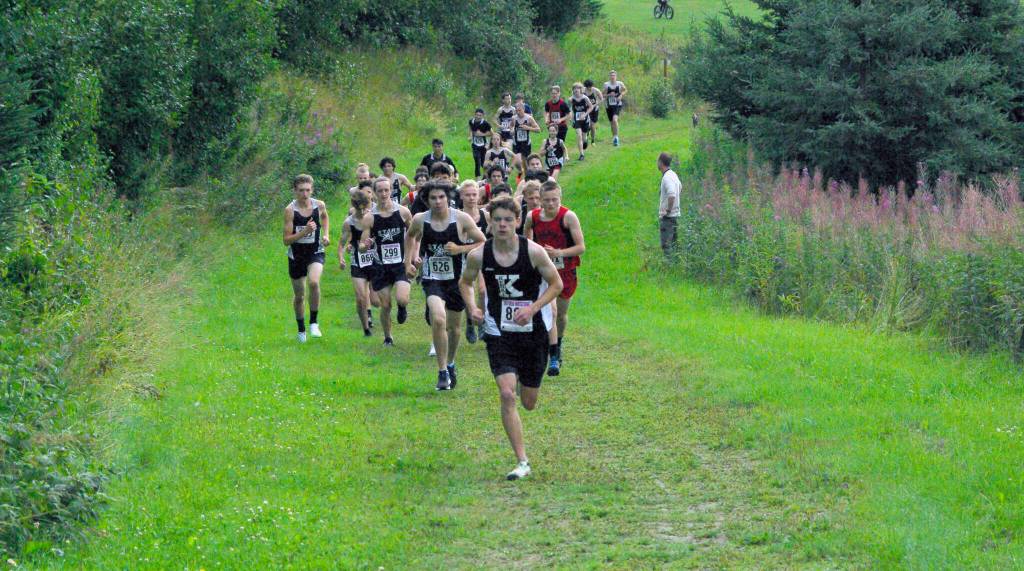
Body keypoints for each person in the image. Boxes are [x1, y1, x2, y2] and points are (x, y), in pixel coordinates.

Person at [459, 196, 563, 480]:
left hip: (534, 331)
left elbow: (556, 284)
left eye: (508, 220)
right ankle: (522, 461)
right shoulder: (479, 255)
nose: (502, 225)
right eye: (497, 220)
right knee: (506, 394)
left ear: (517, 222)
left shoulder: (534, 252)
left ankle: (522, 380)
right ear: (490, 223)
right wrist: (473, 308)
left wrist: (533, 308)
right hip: (498, 331)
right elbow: (465, 282)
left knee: (528, 402)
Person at [404, 181, 486, 390]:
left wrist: (460, 249)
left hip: (457, 280)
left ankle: (450, 363)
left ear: (448, 198)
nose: (438, 201)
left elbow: (483, 242)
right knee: (439, 319)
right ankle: (441, 371)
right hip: (432, 278)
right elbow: (410, 236)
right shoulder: (420, 219)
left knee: (454, 328)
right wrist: (408, 262)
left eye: (441, 197)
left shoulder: (461, 219)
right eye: (433, 198)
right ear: (427, 200)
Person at [524, 180, 585, 376]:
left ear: (560, 199)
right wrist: (535, 253)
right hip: (543, 271)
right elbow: (526, 241)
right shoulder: (532, 217)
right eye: (547, 200)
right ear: (540, 200)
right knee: (550, 309)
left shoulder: (568, 217)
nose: (551, 204)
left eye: (555, 200)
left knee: (560, 314)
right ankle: (553, 354)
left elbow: (581, 247)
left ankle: (558, 342)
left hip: (565, 270)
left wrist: (559, 253)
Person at [358, 177, 414, 346]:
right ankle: (388, 337)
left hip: (400, 264)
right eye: (380, 191)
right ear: (374, 193)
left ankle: (402, 308)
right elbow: (361, 247)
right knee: (386, 305)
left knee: (402, 299)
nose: (383, 194)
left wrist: (411, 259)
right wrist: (366, 245)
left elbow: (414, 235)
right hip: (380, 267)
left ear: (391, 191)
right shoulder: (370, 218)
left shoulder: (403, 212)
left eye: (386, 190)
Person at [283, 174, 330, 342]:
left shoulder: (319, 205)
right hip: (296, 255)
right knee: (300, 296)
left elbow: (324, 217)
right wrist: (304, 232)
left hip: (315, 251)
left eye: (308, 190)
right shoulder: (290, 210)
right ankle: (301, 330)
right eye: (301, 190)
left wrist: (326, 235)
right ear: (295, 191)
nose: (305, 194)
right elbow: (286, 240)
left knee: (314, 282)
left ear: (312, 190)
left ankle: (314, 323)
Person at [339, 192, 379, 337]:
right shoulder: (349, 222)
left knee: (376, 302)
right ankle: (366, 328)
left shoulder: (374, 217)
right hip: (358, 263)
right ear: (354, 207)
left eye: (364, 208)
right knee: (361, 298)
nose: (362, 212)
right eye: (359, 209)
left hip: (375, 262)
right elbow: (341, 243)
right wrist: (341, 257)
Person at [458, 180, 490, 344]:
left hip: (483, 259)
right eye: (468, 195)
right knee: (466, 290)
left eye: (474, 195)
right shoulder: (457, 217)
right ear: (461, 196)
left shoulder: (486, 216)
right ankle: (470, 320)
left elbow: (489, 240)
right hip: (464, 260)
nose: (471, 198)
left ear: (479, 196)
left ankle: (481, 321)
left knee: (483, 291)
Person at [657, 152, 681, 260]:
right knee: (674, 245)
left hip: (668, 217)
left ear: (661, 163)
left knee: (666, 246)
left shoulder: (666, 177)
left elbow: (672, 194)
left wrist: (668, 210)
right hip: (675, 216)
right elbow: (680, 187)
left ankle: (669, 265)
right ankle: (676, 264)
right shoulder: (673, 174)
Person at [512, 101, 541, 176]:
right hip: (516, 143)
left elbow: (538, 130)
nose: (518, 112)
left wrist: (528, 128)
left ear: (524, 109)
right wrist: (511, 131)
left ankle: (527, 176)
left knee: (526, 162)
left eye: (519, 110)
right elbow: (510, 128)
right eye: (516, 110)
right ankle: (520, 170)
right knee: (517, 161)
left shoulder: (529, 118)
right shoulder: (514, 118)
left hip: (526, 143)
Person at [569, 82, 594, 161]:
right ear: (573, 90)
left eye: (578, 89)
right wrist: (571, 117)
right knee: (579, 135)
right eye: (574, 89)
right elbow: (570, 109)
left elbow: (591, 107)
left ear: (581, 90)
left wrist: (585, 114)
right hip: (577, 120)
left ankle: (585, 140)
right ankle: (581, 154)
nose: (576, 90)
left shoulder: (585, 98)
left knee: (584, 137)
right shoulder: (571, 99)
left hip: (585, 119)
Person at [603, 70, 628, 146]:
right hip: (609, 105)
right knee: (611, 122)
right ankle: (614, 137)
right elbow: (602, 95)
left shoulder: (620, 83)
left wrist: (621, 95)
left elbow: (625, 90)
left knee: (615, 120)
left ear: (616, 76)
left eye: (614, 75)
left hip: (617, 104)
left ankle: (617, 137)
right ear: (609, 77)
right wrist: (609, 95)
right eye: (611, 75)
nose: (612, 77)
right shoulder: (606, 84)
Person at [468, 108, 492, 178]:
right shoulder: (471, 121)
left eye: (480, 115)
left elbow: (492, 133)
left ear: (483, 116)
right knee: (477, 161)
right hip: (475, 145)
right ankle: (477, 179)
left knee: (483, 163)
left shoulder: (485, 123)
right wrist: (470, 136)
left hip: (484, 145)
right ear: (474, 114)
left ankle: (487, 175)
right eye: (477, 115)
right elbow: (470, 129)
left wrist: (481, 134)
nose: (478, 117)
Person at [583, 79, 603, 145]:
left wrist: (595, 104)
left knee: (592, 125)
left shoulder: (596, 90)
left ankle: (593, 140)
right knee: (586, 124)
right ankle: (586, 134)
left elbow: (601, 99)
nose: (589, 88)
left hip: (594, 109)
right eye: (587, 87)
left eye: (590, 87)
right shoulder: (582, 90)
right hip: (586, 110)